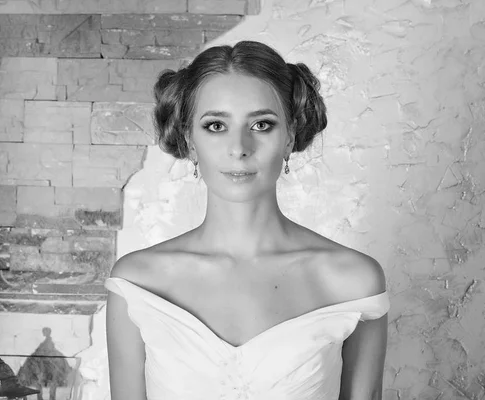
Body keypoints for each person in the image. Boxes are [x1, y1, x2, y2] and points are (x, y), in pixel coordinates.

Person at [105, 40, 389, 400]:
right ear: (189, 141)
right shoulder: (137, 285)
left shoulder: (353, 282)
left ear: (289, 137)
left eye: (261, 124)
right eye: (215, 126)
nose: (239, 148)